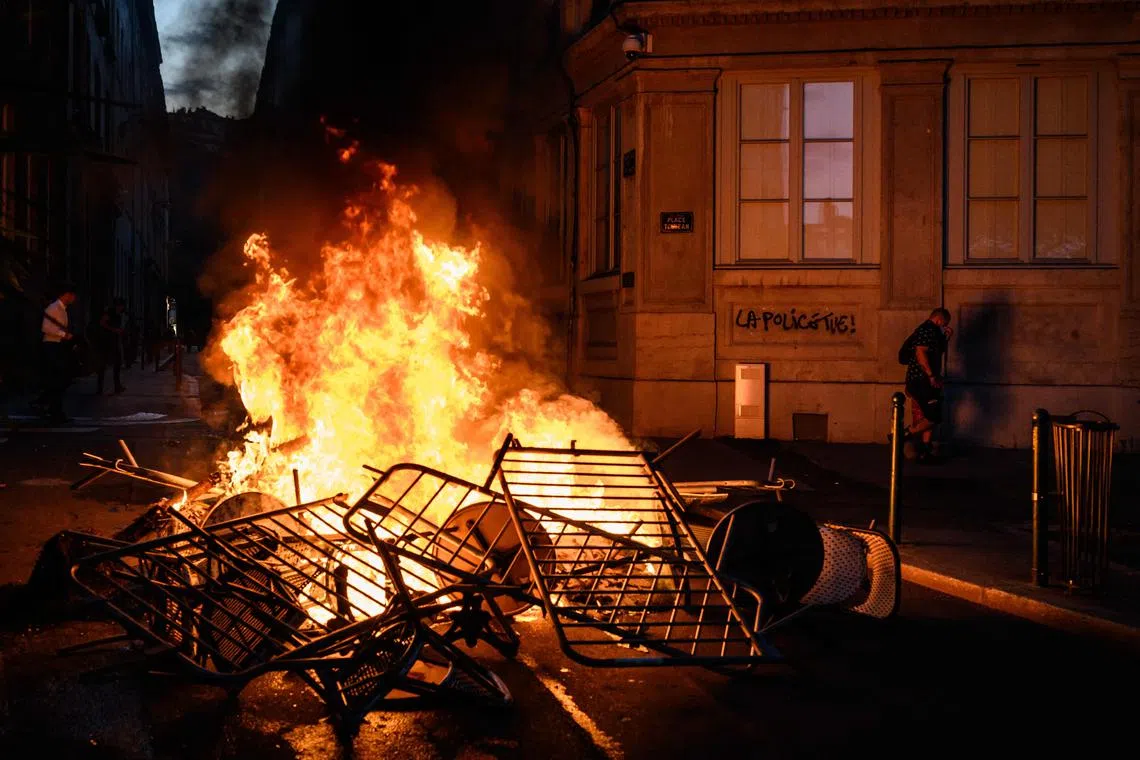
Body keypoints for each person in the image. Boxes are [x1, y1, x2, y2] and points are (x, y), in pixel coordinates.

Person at [900, 307, 952, 462]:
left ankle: (925, 451)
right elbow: (921, 352)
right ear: (939, 319)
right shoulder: (927, 330)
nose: (944, 326)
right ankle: (903, 434)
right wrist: (930, 375)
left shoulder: (934, 332)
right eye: (945, 323)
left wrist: (946, 337)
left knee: (932, 414)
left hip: (928, 379)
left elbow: (936, 351)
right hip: (921, 380)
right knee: (932, 416)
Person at [35, 285, 78, 423]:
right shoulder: (54, 308)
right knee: (58, 378)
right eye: (72, 295)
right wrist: (63, 334)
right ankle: (52, 409)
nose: (74, 299)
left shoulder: (61, 309)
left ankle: (54, 409)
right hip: (51, 346)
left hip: (57, 345)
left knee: (60, 379)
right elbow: (46, 327)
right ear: (66, 294)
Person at [95, 297, 127, 395]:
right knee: (102, 365)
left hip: (114, 340)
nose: (121, 308)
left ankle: (117, 386)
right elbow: (102, 323)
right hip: (106, 341)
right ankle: (100, 388)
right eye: (120, 306)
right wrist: (114, 330)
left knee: (117, 363)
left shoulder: (118, 314)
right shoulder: (109, 312)